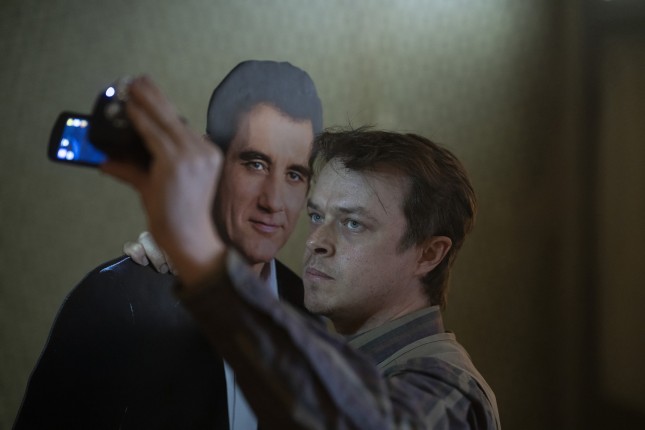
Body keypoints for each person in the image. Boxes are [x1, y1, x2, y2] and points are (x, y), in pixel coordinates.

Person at [103, 76, 501, 428]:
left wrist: (206, 261)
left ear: (428, 254)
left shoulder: (448, 388)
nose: (315, 241)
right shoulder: (335, 354)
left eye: (352, 223)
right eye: (316, 216)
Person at [13, 61, 323, 430]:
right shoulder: (114, 302)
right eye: (255, 164)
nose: (273, 201)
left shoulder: (308, 314)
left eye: (294, 174)